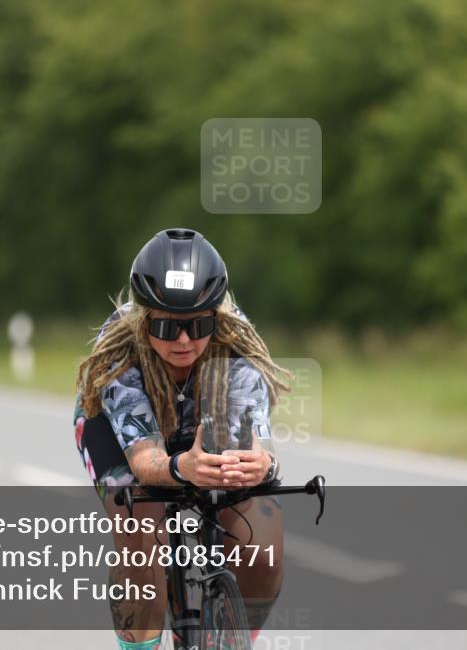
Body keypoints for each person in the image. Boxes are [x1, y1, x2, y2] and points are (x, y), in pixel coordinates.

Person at [73, 228, 290, 650]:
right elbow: (144, 459)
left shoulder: (234, 343)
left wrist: (261, 465)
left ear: (217, 317)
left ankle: (236, 637)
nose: (186, 340)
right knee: (138, 523)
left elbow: (254, 444)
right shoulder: (120, 350)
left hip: (202, 414)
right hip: (121, 432)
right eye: (169, 328)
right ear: (144, 319)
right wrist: (179, 467)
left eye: (198, 325)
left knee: (262, 532)